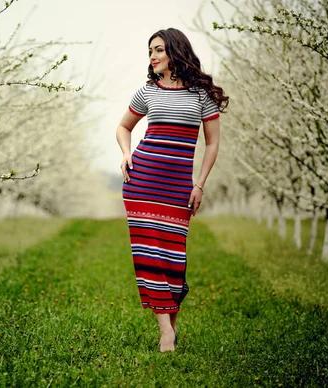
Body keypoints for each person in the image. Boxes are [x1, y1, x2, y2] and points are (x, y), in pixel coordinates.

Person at [116, 28, 229, 352]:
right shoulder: (147, 92)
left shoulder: (201, 95)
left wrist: (199, 184)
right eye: (150, 51)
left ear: (175, 52)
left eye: (158, 50)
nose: (152, 57)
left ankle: (171, 328)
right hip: (142, 183)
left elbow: (213, 143)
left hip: (178, 188)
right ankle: (166, 331)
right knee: (149, 256)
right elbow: (124, 127)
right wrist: (126, 153)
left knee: (173, 259)